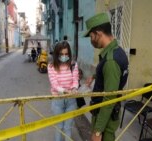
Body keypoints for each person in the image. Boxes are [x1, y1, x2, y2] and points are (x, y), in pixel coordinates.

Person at [84, 12, 129, 141]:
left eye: (91, 36)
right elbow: (110, 75)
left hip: (105, 119)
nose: (91, 40)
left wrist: (98, 131)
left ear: (98, 34)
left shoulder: (110, 61)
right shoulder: (117, 51)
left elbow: (109, 98)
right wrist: (95, 76)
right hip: (107, 115)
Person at [47, 41, 79, 141]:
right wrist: (65, 91)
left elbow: (75, 80)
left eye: (66, 54)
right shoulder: (51, 66)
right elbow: (54, 84)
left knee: (68, 127)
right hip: (58, 100)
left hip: (71, 101)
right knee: (59, 127)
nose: (64, 56)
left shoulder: (73, 65)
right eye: (61, 54)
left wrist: (74, 89)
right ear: (57, 54)